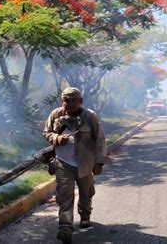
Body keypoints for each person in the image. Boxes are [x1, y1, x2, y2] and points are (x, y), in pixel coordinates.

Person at [43, 87, 109, 243]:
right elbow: (46, 132)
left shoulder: (90, 116)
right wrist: (56, 138)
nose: (69, 103)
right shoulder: (55, 114)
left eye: (73, 100)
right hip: (63, 163)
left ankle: (85, 215)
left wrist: (99, 161)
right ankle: (65, 228)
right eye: (66, 100)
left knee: (86, 193)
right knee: (65, 196)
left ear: (81, 101)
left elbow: (100, 140)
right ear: (62, 101)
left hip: (85, 163)